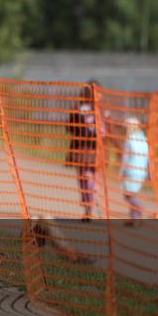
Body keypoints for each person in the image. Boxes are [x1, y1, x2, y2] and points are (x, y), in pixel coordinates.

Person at [66, 81, 102, 220]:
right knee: (85, 178)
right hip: (82, 150)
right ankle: (89, 206)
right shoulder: (80, 109)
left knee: (89, 178)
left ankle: (90, 205)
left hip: (93, 150)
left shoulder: (100, 110)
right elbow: (70, 127)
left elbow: (104, 131)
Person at [120, 117, 150, 224]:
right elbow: (148, 157)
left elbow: (125, 158)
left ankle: (139, 209)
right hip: (141, 172)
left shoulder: (129, 140)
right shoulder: (144, 139)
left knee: (128, 196)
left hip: (130, 171)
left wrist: (121, 172)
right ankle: (134, 218)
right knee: (132, 194)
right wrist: (148, 172)